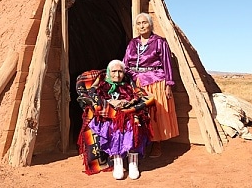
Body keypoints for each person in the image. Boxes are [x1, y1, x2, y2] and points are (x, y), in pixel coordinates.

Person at [77, 60, 153, 180]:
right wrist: (112, 103)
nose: (117, 75)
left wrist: (128, 103)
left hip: (127, 113)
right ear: (108, 72)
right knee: (114, 127)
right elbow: (95, 98)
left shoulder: (128, 85)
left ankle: (133, 163)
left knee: (133, 124)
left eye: (120, 72)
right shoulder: (102, 85)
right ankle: (118, 162)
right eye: (114, 71)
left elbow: (138, 96)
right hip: (109, 114)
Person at [123, 12, 179, 158]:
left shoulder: (160, 42)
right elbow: (125, 63)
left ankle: (157, 144)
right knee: (139, 114)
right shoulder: (132, 43)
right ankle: (140, 144)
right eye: (139, 23)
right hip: (137, 82)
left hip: (156, 81)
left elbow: (167, 64)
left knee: (156, 113)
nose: (142, 26)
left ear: (150, 25)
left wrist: (168, 84)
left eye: (144, 23)